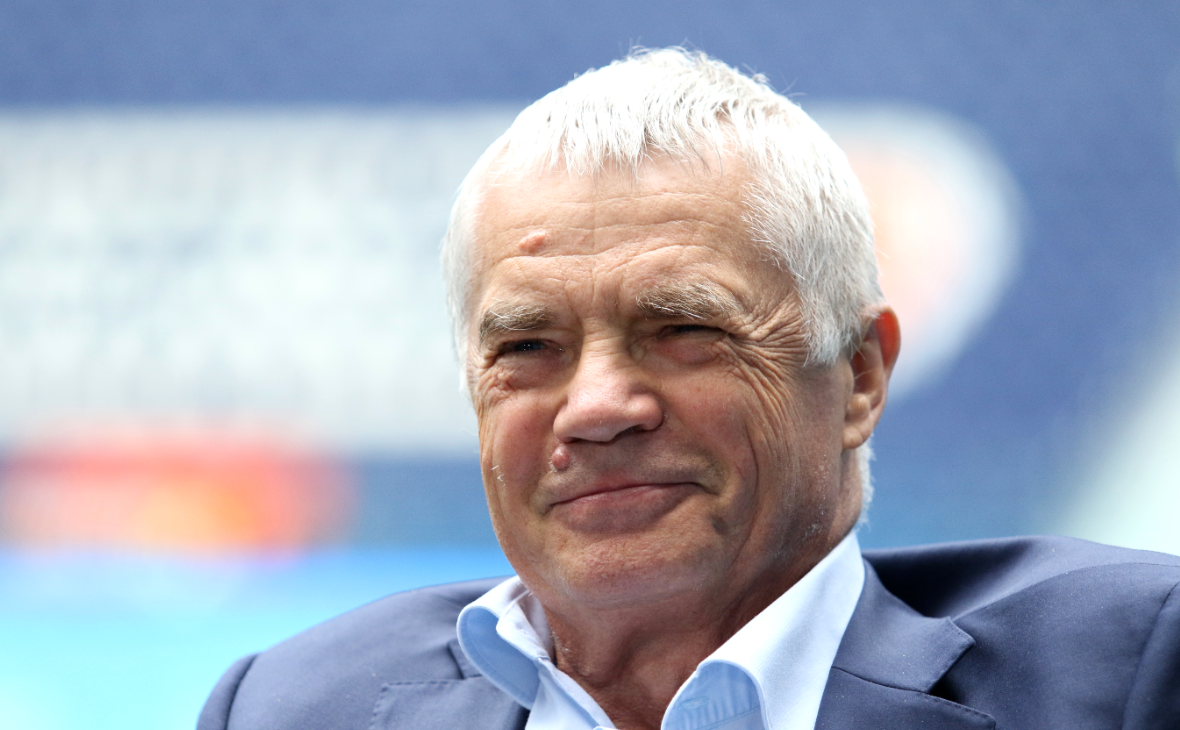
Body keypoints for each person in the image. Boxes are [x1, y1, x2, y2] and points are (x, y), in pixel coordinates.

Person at [198, 49, 1180, 730]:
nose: (596, 407)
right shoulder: (290, 708)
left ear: (857, 376)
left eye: (682, 331)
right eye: (529, 346)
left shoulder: (1121, 675)